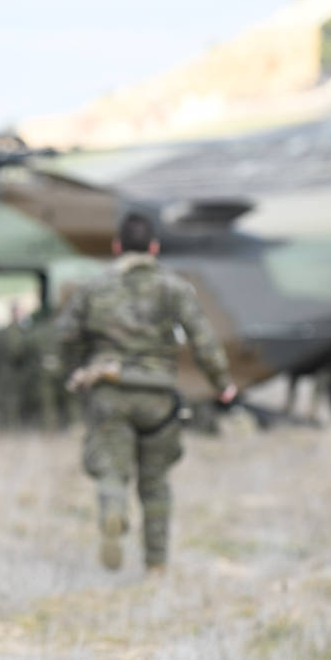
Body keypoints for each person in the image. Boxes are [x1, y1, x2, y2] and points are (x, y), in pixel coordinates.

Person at [56, 211, 236, 574]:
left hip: (109, 393)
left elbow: (63, 337)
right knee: (155, 484)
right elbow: (203, 341)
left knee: (111, 471)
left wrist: (76, 370)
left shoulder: (94, 287)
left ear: (117, 246)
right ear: (154, 247)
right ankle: (155, 566)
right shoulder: (174, 288)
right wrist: (222, 384)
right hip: (158, 398)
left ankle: (113, 510)